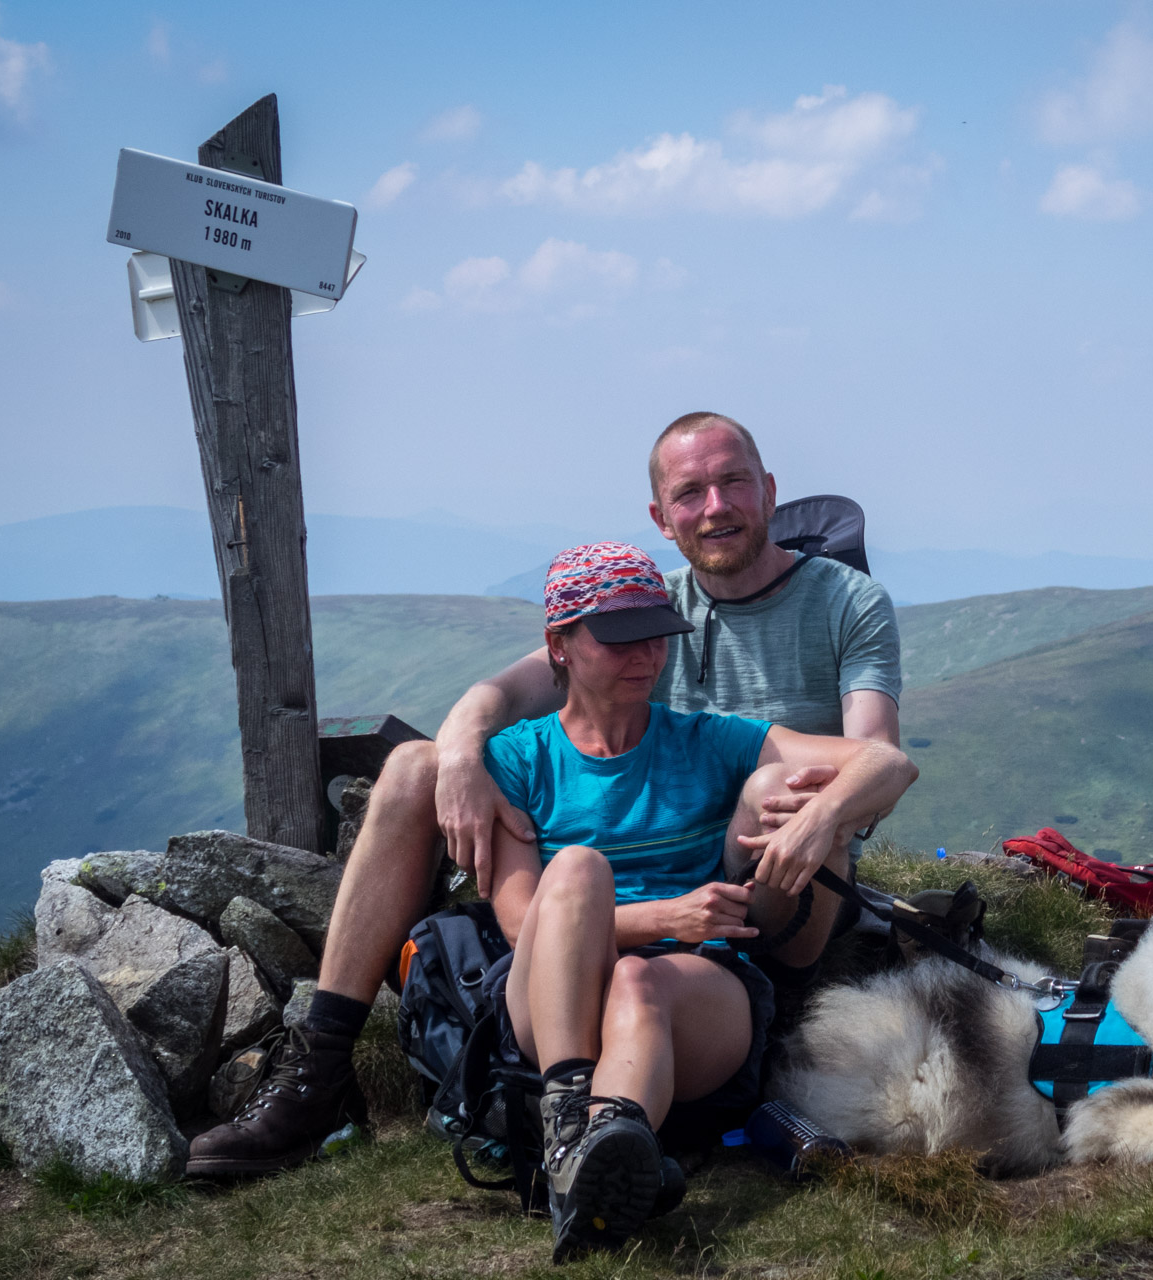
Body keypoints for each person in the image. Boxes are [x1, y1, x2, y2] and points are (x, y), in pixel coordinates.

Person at [185, 414, 903, 1178]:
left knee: (771, 787)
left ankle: (766, 1016)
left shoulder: (844, 601)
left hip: (776, 875)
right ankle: (318, 1070)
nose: (716, 506)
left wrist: (820, 812)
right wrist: (460, 761)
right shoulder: (642, 600)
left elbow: (877, 760)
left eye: (732, 483)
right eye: (690, 493)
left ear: (768, 491)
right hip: (625, 886)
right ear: (662, 519)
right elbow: (504, 692)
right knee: (416, 770)